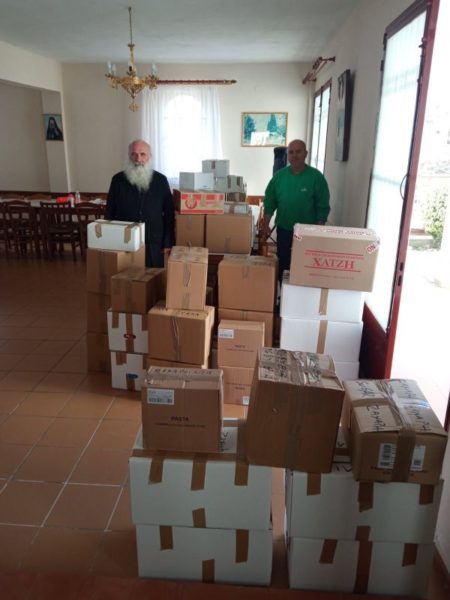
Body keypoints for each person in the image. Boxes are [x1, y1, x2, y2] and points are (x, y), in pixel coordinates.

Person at [261, 139, 330, 282]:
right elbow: (270, 202)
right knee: (284, 264)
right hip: (284, 229)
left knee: (305, 266)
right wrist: (265, 224)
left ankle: (303, 292)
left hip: (308, 232)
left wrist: (318, 230)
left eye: (298, 151)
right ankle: (283, 292)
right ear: (287, 155)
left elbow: (322, 205)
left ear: (306, 154)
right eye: (291, 152)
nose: (294, 155)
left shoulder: (316, 177)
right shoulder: (279, 177)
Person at [105, 139, 175, 267]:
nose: (138, 159)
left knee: (153, 276)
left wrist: (168, 242)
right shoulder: (117, 180)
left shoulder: (161, 180)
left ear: (149, 156)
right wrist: (109, 240)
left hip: (153, 240)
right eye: (134, 154)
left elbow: (169, 214)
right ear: (129, 156)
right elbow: (109, 212)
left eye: (142, 154)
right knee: (126, 275)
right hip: (125, 240)